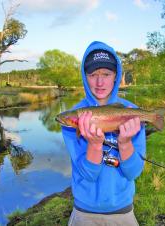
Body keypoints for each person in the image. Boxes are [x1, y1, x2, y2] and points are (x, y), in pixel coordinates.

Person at [61, 41, 147, 226]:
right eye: (93, 75)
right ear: (85, 76)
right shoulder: (71, 121)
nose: (100, 82)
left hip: (123, 210)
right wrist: (94, 145)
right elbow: (89, 175)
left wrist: (125, 144)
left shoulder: (132, 112)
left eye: (106, 74)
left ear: (116, 76)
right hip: (84, 212)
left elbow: (133, 172)